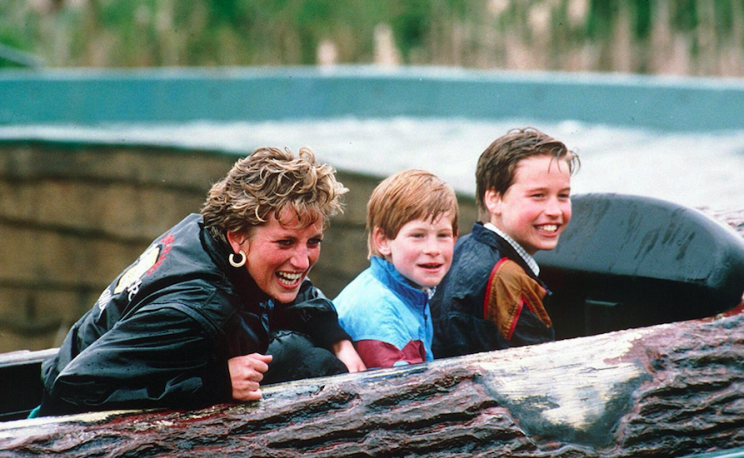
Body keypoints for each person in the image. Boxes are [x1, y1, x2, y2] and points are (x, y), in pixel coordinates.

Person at [37, 147, 365, 417]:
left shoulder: (205, 232)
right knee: (309, 362)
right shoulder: (197, 307)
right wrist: (216, 383)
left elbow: (291, 284)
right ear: (238, 238)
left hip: (98, 362)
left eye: (313, 242)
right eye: (285, 243)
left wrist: (336, 337)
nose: (303, 260)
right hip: (66, 429)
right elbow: (74, 388)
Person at [431, 128, 579, 359]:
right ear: (494, 199)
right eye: (538, 195)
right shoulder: (507, 278)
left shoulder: (463, 247)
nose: (554, 211)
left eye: (563, 195)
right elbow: (540, 372)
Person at [333, 169, 458, 369]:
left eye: (443, 235)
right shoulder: (384, 320)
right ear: (383, 241)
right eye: (418, 235)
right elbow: (404, 395)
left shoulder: (405, 290)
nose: (433, 250)